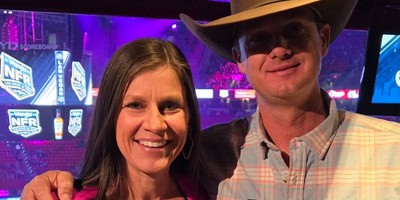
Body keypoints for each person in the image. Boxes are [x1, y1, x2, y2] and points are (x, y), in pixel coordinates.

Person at [21, 0, 400, 199]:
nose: (279, 49)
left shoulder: (393, 150)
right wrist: (56, 183)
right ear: (238, 58)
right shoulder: (208, 155)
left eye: (294, 31)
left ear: (325, 38)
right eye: (258, 40)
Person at [21, 38, 208, 199]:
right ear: (109, 115)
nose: (155, 124)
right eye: (135, 105)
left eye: (170, 106)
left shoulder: (209, 191)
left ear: (189, 116)